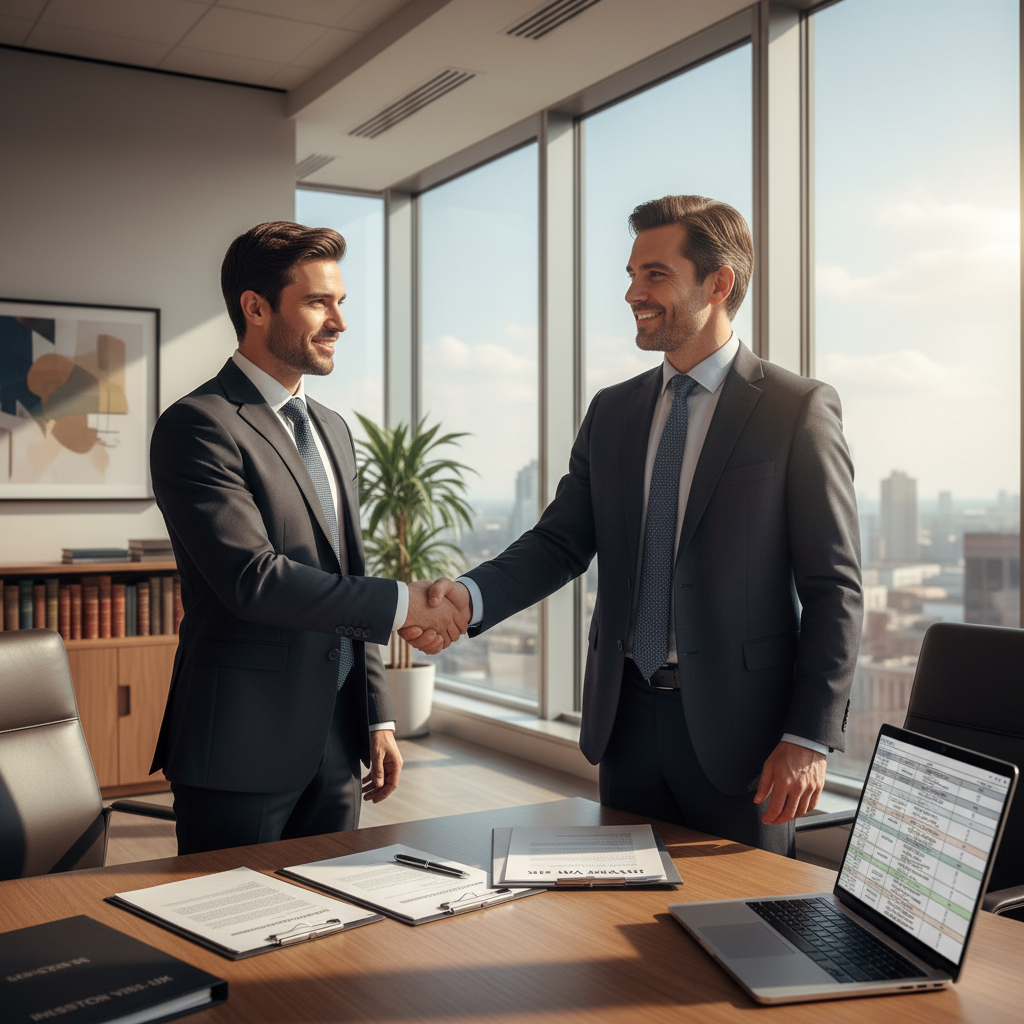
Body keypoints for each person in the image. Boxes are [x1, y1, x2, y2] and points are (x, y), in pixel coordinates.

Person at [406, 195, 862, 856]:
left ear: (719, 283)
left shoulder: (795, 409)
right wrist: (469, 598)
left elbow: (834, 587)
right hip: (625, 723)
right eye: (630, 274)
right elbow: (561, 540)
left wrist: (808, 736)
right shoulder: (614, 411)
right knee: (618, 924)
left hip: (747, 740)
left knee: (736, 934)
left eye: (653, 274)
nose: (631, 293)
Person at [150, 221, 465, 855]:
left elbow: (350, 566)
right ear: (257, 308)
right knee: (228, 928)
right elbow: (254, 580)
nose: (339, 322)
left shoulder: (331, 427)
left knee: (327, 926)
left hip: (339, 740)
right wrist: (405, 602)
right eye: (319, 302)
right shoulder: (199, 425)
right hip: (242, 741)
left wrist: (375, 711)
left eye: (341, 302)